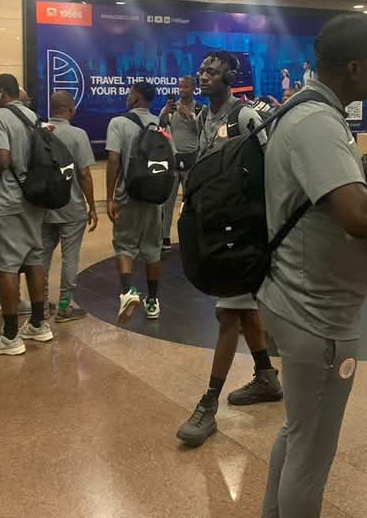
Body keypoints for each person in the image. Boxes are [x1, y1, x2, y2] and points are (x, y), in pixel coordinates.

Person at [256, 16, 367, 517]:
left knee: (299, 431)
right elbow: (359, 216)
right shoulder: (317, 123)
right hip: (316, 315)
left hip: (300, 300)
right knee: (313, 451)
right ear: (355, 67)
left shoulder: (308, 112)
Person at [176, 52, 283, 448]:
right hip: (216, 225)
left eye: (212, 71)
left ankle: (208, 404)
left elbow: (272, 171)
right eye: (202, 70)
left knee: (227, 314)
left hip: (244, 232)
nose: (204, 76)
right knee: (243, 308)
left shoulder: (246, 117)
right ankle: (266, 376)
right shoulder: (205, 117)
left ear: (230, 77)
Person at [0, 73, 53, 355]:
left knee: (6, 267)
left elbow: (1, 159)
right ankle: (38, 323)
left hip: (7, 200)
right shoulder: (32, 116)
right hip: (34, 198)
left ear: (0, 92)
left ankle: (10, 335)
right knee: (34, 259)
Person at [105, 80, 167, 321]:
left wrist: (109, 197)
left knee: (124, 244)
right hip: (154, 195)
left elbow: (113, 161)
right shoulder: (159, 124)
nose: (127, 97)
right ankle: (153, 301)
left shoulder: (118, 123)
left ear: (136, 97)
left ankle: (128, 291)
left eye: (130, 93)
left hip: (128, 193)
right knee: (153, 248)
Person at [40, 91, 98, 322]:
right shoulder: (78, 135)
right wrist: (92, 206)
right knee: (70, 258)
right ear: (71, 110)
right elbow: (84, 174)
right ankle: (64, 306)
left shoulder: (40, 132)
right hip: (72, 208)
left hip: (44, 208)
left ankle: (41, 305)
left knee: (41, 257)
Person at [158, 75, 201, 249]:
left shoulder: (200, 108)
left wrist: (189, 116)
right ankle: (164, 237)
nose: (182, 90)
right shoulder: (171, 108)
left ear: (193, 89)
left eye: (185, 87)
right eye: (180, 87)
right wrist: (163, 114)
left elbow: (202, 132)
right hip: (173, 160)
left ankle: (191, 236)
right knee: (167, 201)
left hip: (192, 159)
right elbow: (161, 131)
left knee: (191, 201)